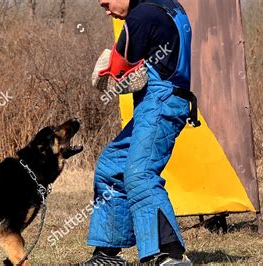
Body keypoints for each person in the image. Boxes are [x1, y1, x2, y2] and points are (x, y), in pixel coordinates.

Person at [83, 0, 198, 265]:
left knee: (140, 173)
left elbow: (119, 70)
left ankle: (171, 255)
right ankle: (107, 255)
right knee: (111, 166)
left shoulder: (141, 16)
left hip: (161, 103)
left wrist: (103, 71)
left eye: (106, 3)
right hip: (158, 103)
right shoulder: (167, 5)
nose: (106, 9)